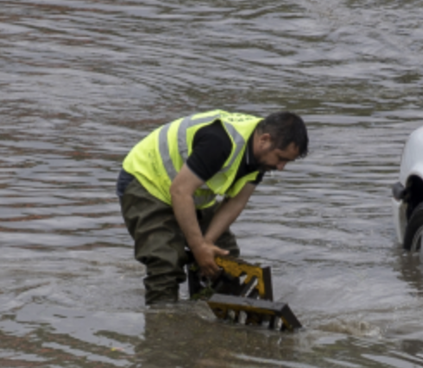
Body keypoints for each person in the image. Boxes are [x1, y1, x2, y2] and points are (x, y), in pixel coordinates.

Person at [117, 110, 308, 305]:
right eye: (281, 158)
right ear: (265, 140)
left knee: (224, 253)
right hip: (146, 182)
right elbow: (180, 192)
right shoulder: (220, 141)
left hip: (187, 192)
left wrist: (207, 242)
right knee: (165, 262)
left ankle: (209, 313)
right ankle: (163, 325)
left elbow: (236, 202)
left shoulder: (260, 155)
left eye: (287, 162)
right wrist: (198, 246)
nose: (281, 167)